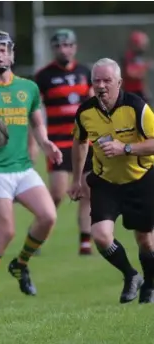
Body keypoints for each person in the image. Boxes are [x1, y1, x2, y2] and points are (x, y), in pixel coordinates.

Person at [0, 31, 62, 300]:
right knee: (6, 231)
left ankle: (20, 264)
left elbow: (38, 125)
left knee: (48, 216)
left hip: (22, 167)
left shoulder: (28, 88)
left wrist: (47, 145)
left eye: (3, 49)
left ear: (11, 53)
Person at [69, 57, 154, 304]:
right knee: (101, 235)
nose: (102, 85)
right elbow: (79, 142)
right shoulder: (85, 112)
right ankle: (131, 275)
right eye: (97, 81)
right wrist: (76, 180)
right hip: (106, 181)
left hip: (140, 179)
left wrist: (125, 148)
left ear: (119, 82)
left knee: (145, 239)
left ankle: (149, 284)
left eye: (107, 80)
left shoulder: (137, 107)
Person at [34, 29, 94, 256]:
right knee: (58, 193)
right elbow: (33, 109)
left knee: (88, 191)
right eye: (58, 46)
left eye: (67, 45)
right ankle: (38, 236)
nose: (63, 49)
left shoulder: (84, 72)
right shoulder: (44, 76)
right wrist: (36, 141)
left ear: (74, 47)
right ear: (53, 49)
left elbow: (93, 104)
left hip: (84, 142)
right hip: (58, 142)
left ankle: (85, 243)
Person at [121, 30, 152, 103]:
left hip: (139, 92)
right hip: (131, 92)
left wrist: (145, 92)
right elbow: (129, 73)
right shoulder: (128, 57)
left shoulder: (138, 57)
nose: (144, 47)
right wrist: (145, 67)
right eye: (142, 45)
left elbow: (141, 80)